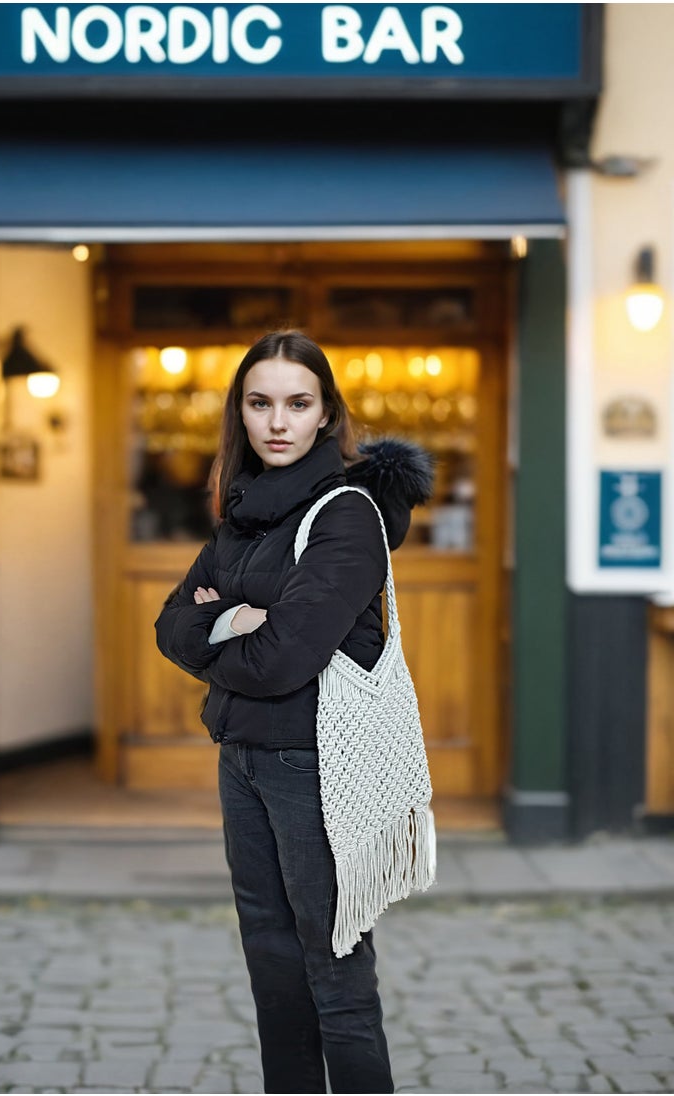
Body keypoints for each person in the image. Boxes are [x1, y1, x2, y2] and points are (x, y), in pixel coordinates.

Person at [155, 331, 433, 1094]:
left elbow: (281, 659)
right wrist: (227, 622)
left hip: (316, 763)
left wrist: (229, 622)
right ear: (240, 415)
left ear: (325, 416)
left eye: (297, 404)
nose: (278, 421)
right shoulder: (242, 515)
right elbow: (168, 625)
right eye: (260, 403)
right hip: (242, 757)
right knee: (272, 965)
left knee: (334, 966)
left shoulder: (347, 516)